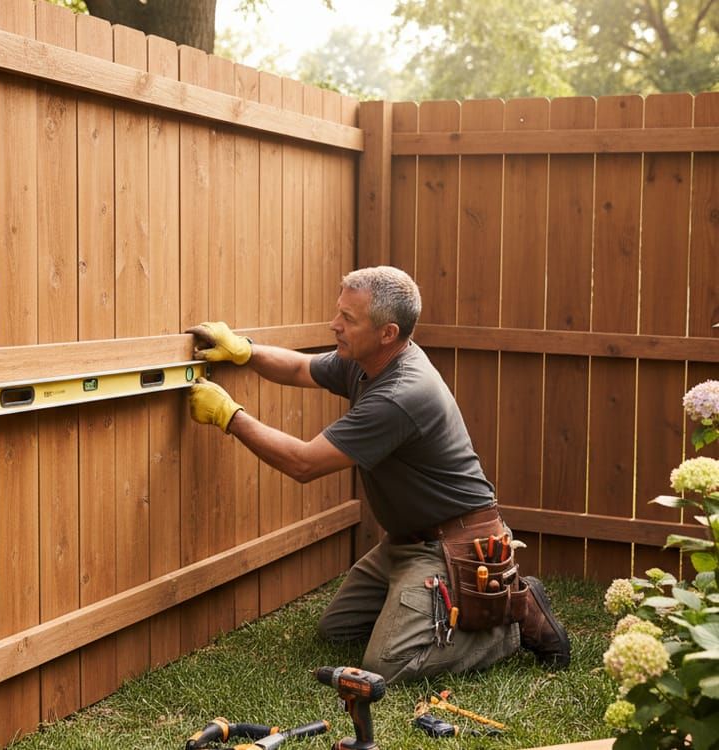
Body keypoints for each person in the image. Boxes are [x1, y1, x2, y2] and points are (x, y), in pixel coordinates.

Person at [186, 265, 570, 683]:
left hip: (450, 547)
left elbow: (304, 463)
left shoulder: (400, 394)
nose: (335, 326)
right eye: (339, 312)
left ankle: (512, 620)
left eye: (348, 320)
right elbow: (300, 369)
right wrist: (245, 350)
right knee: (338, 631)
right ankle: (422, 607)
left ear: (387, 332)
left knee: (386, 665)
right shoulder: (366, 361)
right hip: (404, 544)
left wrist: (230, 416)